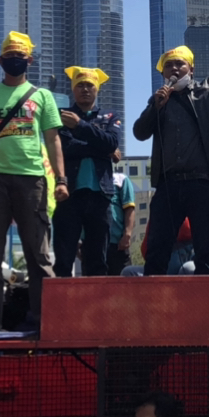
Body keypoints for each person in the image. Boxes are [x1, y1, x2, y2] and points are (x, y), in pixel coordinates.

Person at [0, 31, 66, 333]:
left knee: (39, 254)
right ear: (0, 61)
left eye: (21, 57)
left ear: (29, 61)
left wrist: (61, 179)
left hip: (32, 179)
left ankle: (45, 321)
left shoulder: (41, 96)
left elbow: (53, 140)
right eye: (10, 58)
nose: (15, 62)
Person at [133, 10, 209, 276]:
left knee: (206, 248)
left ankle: (207, 307)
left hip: (202, 183)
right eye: (168, 66)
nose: (174, 69)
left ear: (191, 69)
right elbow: (139, 132)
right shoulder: (159, 100)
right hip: (169, 185)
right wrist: (155, 107)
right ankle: (153, 306)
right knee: (157, 248)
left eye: (179, 64)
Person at [53, 66, 123, 277]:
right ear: (73, 89)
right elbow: (61, 147)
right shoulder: (60, 116)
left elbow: (112, 142)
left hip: (100, 195)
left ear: (97, 89)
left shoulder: (110, 116)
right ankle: (62, 308)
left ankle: (97, 309)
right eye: (80, 85)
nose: (85, 89)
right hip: (68, 194)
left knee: (97, 260)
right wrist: (102, 149)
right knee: (64, 258)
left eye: (90, 85)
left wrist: (80, 126)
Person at [107, 159, 137, 275]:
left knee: (123, 287)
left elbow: (129, 208)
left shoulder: (121, 179)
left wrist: (127, 234)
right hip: (93, 247)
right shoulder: (89, 181)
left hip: (118, 245)